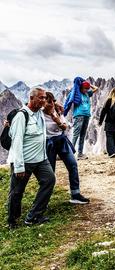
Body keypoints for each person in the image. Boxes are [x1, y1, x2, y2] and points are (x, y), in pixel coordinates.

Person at [7, 87, 56, 228]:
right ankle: (12, 221)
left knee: (49, 180)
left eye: (44, 98)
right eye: (40, 98)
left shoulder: (39, 113)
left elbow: (51, 107)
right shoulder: (21, 116)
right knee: (17, 191)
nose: (43, 101)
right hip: (25, 161)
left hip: (41, 159)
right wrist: (19, 166)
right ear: (31, 98)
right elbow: (16, 142)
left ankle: (34, 216)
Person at [44, 92, 90, 204]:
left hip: (61, 141)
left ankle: (75, 194)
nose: (50, 104)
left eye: (52, 101)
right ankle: (44, 200)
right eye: (47, 102)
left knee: (72, 165)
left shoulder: (57, 111)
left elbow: (64, 127)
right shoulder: (38, 114)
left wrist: (57, 119)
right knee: (50, 173)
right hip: (48, 144)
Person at [64, 78, 98, 160]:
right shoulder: (76, 94)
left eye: (87, 89)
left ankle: (80, 154)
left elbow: (96, 88)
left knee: (82, 135)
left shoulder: (87, 94)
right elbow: (69, 100)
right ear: (80, 87)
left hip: (86, 115)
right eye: (85, 88)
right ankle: (70, 154)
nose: (86, 90)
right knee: (75, 135)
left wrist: (88, 84)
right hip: (78, 116)